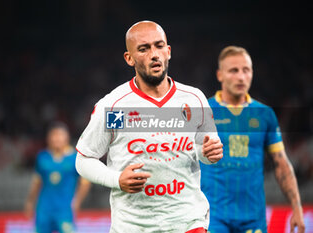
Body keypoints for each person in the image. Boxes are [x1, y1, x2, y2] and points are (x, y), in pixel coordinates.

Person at [75, 20, 223, 233]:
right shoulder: (114, 107)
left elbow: (204, 152)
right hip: (133, 226)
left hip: (187, 222)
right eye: (144, 49)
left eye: (159, 46)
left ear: (168, 51)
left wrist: (211, 153)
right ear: (129, 58)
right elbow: (84, 159)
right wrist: (116, 179)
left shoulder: (193, 98)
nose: (154, 54)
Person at [200, 45, 305, 233]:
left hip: (253, 218)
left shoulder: (265, 114)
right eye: (234, 70)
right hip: (213, 217)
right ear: (220, 75)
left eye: (246, 70)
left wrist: (297, 208)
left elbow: (281, 163)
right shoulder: (203, 111)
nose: (241, 76)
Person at [24, 122, 91, 233]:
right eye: (54, 135)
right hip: (43, 209)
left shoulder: (75, 158)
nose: (57, 138)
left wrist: (77, 202)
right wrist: (30, 201)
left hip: (64, 210)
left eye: (60, 135)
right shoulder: (42, 157)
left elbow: (85, 183)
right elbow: (36, 182)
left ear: (67, 137)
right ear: (48, 138)